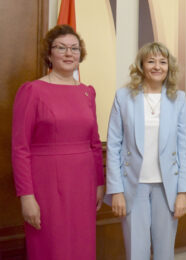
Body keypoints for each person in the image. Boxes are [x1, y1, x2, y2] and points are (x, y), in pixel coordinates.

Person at [11, 24, 105, 260]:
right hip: (46, 185)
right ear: (49, 53)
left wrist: (99, 183)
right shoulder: (32, 90)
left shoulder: (87, 92)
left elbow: (94, 143)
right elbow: (20, 148)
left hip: (83, 184)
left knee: (81, 245)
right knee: (52, 247)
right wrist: (26, 196)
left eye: (74, 48)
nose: (68, 53)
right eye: (61, 47)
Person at [105, 42, 186, 260]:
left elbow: (184, 149)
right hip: (132, 186)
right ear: (141, 65)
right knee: (136, 252)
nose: (157, 66)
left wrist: (183, 192)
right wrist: (116, 190)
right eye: (151, 61)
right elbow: (114, 145)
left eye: (162, 62)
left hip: (167, 187)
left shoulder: (178, 99)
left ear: (169, 67)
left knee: (165, 252)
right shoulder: (123, 97)